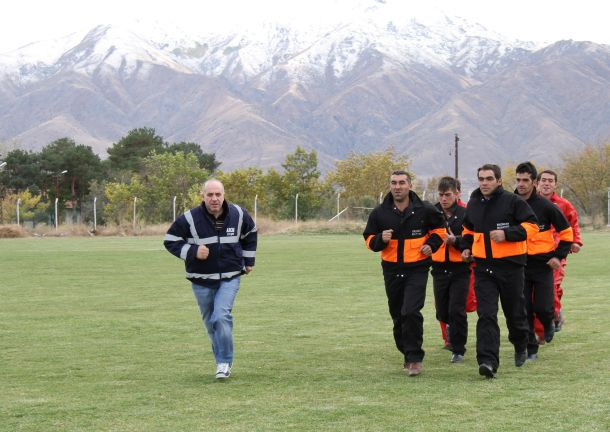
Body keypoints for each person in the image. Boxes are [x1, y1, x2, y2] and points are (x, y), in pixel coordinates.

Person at [164, 179, 257, 380]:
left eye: (218, 194)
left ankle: (224, 363)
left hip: (230, 277)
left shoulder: (239, 214)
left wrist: (249, 260)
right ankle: (221, 362)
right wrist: (193, 251)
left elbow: (251, 233)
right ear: (203, 196)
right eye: (210, 195)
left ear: (224, 195)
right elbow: (170, 240)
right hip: (200, 279)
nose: (214, 199)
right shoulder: (189, 219)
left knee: (221, 317)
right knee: (210, 324)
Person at [363, 170, 445, 376]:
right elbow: (369, 241)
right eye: (393, 183)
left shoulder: (425, 209)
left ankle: (415, 357)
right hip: (391, 270)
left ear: (409, 185)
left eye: (401, 182)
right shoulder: (380, 213)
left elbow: (440, 232)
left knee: (410, 311)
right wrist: (380, 238)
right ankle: (406, 352)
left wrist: (431, 245)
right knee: (398, 315)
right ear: (389, 186)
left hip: (417, 268)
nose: (397, 186)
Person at [461, 164, 538, 379]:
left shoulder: (513, 202)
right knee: (486, 314)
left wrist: (507, 234)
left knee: (515, 313)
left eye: (488, 179)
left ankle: (521, 342)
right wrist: (466, 247)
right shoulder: (473, 202)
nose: (484, 183)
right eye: (481, 179)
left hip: (511, 267)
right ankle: (487, 361)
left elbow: (532, 226)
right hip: (484, 268)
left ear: (499, 181)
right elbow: (467, 230)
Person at [514, 162, 573, 361]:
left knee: (543, 306)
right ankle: (531, 349)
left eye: (525, 180)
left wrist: (558, 255)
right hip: (519, 265)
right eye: (518, 180)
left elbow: (566, 232)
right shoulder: (509, 203)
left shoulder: (546, 206)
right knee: (524, 309)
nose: (521, 184)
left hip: (543, 265)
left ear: (534, 182)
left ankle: (549, 322)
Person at [536, 169, 583, 332]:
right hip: (536, 254)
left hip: (558, 253)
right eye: (544, 180)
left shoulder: (564, 204)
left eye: (550, 180)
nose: (546, 183)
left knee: (553, 285)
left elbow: (573, 223)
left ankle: (553, 315)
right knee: (547, 289)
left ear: (555, 184)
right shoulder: (529, 203)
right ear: (537, 183)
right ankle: (555, 314)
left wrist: (576, 242)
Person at [431, 177, 471, 363]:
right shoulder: (431, 213)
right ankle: (449, 327)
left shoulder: (465, 214)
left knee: (457, 309)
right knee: (442, 311)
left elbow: (471, 240)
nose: (444, 198)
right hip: (438, 268)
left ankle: (458, 349)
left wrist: (456, 242)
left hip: (460, 269)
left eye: (447, 195)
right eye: (441, 195)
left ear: (457, 194)